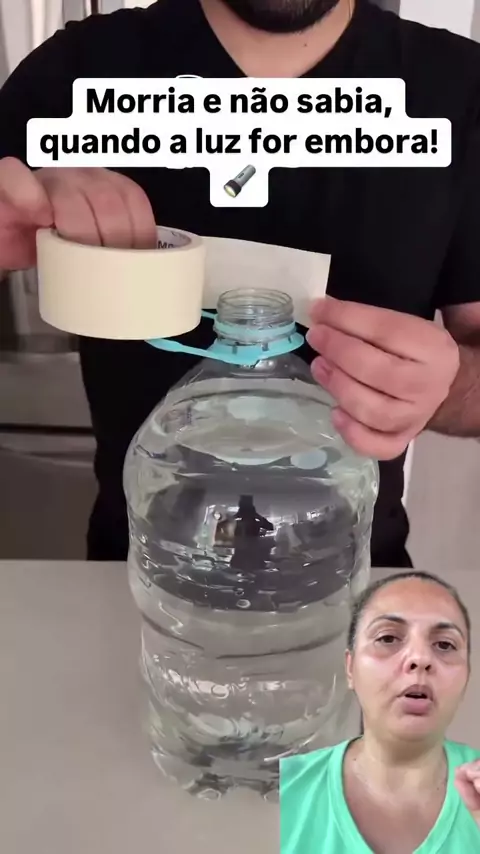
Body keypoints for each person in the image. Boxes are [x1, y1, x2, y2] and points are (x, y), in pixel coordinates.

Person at [0, 0, 478, 567]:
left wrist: (446, 386)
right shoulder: (76, 70)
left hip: (356, 574)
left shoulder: (460, 88)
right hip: (139, 571)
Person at [280, 570, 480, 852]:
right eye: (388, 638)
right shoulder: (281, 789)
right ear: (350, 668)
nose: (420, 658)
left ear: (467, 676)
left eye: (445, 644)